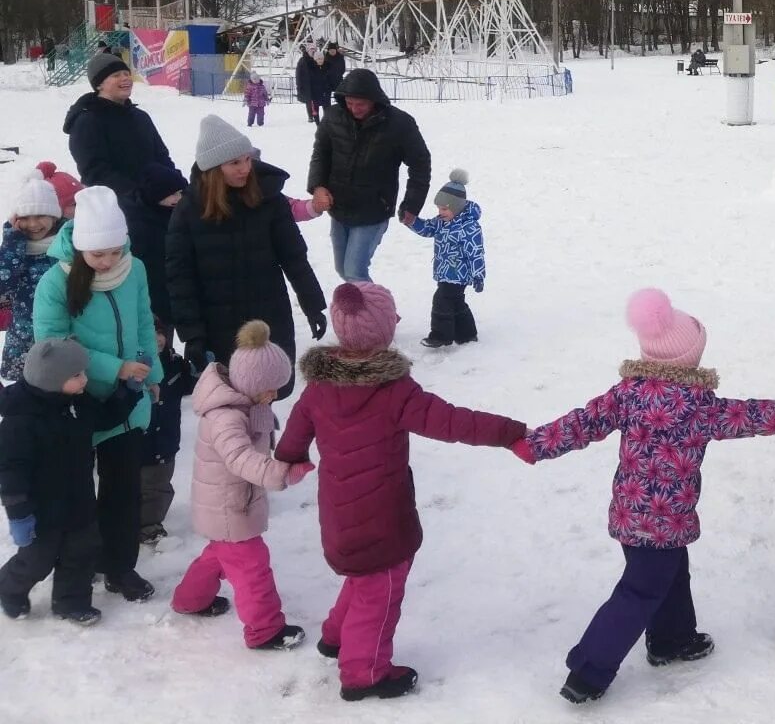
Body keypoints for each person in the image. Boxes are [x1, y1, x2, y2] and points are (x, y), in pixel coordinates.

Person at [514, 289, 775, 704]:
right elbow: (747, 414)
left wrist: (537, 443)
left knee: (669, 572)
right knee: (639, 591)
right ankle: (588, 671)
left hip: (630, 514)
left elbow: (583, 421)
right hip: (665, 520)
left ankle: (672, 638)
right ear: (689, 360)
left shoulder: (626, 393)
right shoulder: (698, 404)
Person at [275, 281, 527, 703]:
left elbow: (298, 427)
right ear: (383, 332)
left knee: (363, 576)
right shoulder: (393, 391)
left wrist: (291, 455)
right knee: (381, 592)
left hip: (339, 513)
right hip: (382, 517)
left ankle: (336, 636)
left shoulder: (319, 387)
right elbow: (452, 421)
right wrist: (509, 432)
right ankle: (364, 672)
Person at [31, 187, 163, 603]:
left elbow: (144, 321)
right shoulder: (56, 281)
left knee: (123, 489)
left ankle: (120, 566)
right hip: (78, 399)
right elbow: (52, 343)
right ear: (81, 246)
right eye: (97, 254)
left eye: (113, 250)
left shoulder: (134, 269)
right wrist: (113, 367)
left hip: (127, 399)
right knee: (78, 495)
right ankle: (78, 566)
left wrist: (151, 372)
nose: (107, 261)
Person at [171, 320, 309, 648]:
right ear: (250, 383)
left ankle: (190, 600)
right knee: (252, 568)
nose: (274, 395)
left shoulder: (245, 404)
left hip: (230, 501)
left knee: (218, 556)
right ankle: (265, 630)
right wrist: (279, 473)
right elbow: (240, 459)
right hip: (228, 504)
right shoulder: (226, 417)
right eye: (270, 389)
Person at [166, 115, 327, 393]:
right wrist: (192, 335)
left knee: (268, 393)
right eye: (234, 163)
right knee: (229, 401)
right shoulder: (189, 210)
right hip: (218, 322)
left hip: (268, 315)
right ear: (214, 169)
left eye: (247, 160)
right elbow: (180, 278)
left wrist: (312, 302)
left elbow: (294, 256)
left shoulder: (268, 199)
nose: (245, 169)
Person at [0, 339, 139, 625]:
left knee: (81, 553)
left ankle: (71, 602)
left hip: (79, 500)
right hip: (42, 509)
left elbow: (103, 418)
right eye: (77, 375)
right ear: (52, 380)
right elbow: (11, 471)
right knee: (37, 560)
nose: (85, 379)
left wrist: (129, 393)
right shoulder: (20, 420)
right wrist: (19, 514)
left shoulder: (77, 402)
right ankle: (8, 587)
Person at [64, 50, 186, 327]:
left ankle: (165, 349)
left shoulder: (140, 117)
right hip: (123, 218)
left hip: (161, 211)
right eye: (115, 75)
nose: (124, 79)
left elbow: (162, 156)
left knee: (168, 285)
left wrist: (177, 187)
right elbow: (96, 172)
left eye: (125, 73)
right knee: (140, 288)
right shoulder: (87, 122)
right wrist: (142, 195)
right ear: (99, 83)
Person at [308, 68, 432, 282]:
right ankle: (382, 312)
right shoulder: (333, 117)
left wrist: (412, 204)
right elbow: (321, 153)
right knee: (343, 270)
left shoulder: (399, 124)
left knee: (355, 272)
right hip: (339, 207)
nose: (354, 109)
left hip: (374, 209)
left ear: (374, 100)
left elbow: (420, 164)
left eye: (360, 104)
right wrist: (318, 186)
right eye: (349, 103)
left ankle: (379, 314)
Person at [403, 169, 485, 349]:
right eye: (439, 208)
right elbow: (427, 229)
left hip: (459, 274)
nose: (440, 212)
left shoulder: (469, 227)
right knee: (456, 302)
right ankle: (467, 334)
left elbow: (476, 252)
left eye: (445, 208)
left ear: (456, 206)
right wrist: (412, 221)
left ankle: (441, 335)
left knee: (441, 299)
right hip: (444, 272)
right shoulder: (441, 221)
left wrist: (478, 275)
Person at [1, 169, 66, 382]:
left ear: (54, 216)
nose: (33, 224)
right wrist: (13, 243)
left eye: (40, 216)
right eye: (25, 217)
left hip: (63, 334)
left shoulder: (67, 245)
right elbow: (3, 284)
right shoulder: (14, 246)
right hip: (23, 339)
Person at [140, 317, 192, 546]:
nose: (156, 339)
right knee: (133, 484)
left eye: (159, 332)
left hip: (167, 437)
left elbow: (189, 386)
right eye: (149, 333)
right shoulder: (133, 366)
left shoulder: (175, 363)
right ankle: (127, 520)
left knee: (159, 484)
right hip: (139, 439)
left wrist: (199, 372)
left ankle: (150, 523)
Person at [296, 43, 321, 125]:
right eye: (311, 49)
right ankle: (310, 116)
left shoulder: (318, 58)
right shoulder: (302, 60)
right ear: (308, 50)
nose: (313, 51)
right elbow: (298, 74)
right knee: (309, 101)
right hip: (306, 84)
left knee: (316, 101)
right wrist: (299, 85)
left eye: (314, 49)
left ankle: (316, 115)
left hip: (316, 84)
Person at [321, 42, 348, 108]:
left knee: (340, 98)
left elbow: (343, 68)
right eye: (330, 50)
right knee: (326, 100)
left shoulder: (340, 58)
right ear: (328, 51)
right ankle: (327, 113)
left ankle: (340, 112)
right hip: (327, 82)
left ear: (336, 50)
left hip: (338, 81)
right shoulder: (325, 58)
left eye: (333, 50)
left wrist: (337, 74)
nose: (332, 52)